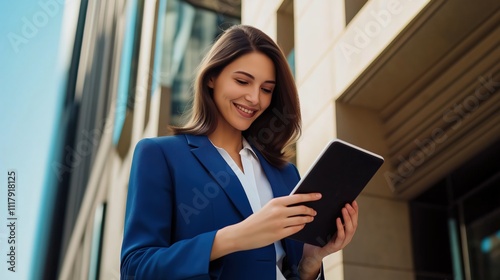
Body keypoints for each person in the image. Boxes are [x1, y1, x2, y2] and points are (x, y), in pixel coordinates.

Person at [120, 24, 358, 280]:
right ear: (212, 77)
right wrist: (235, 236)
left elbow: (287, 272)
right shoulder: (161, 156)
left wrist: (311, 263)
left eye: (266, 89)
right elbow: (136, 268)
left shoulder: (286, 174)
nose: (255, 98)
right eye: (242, 81)